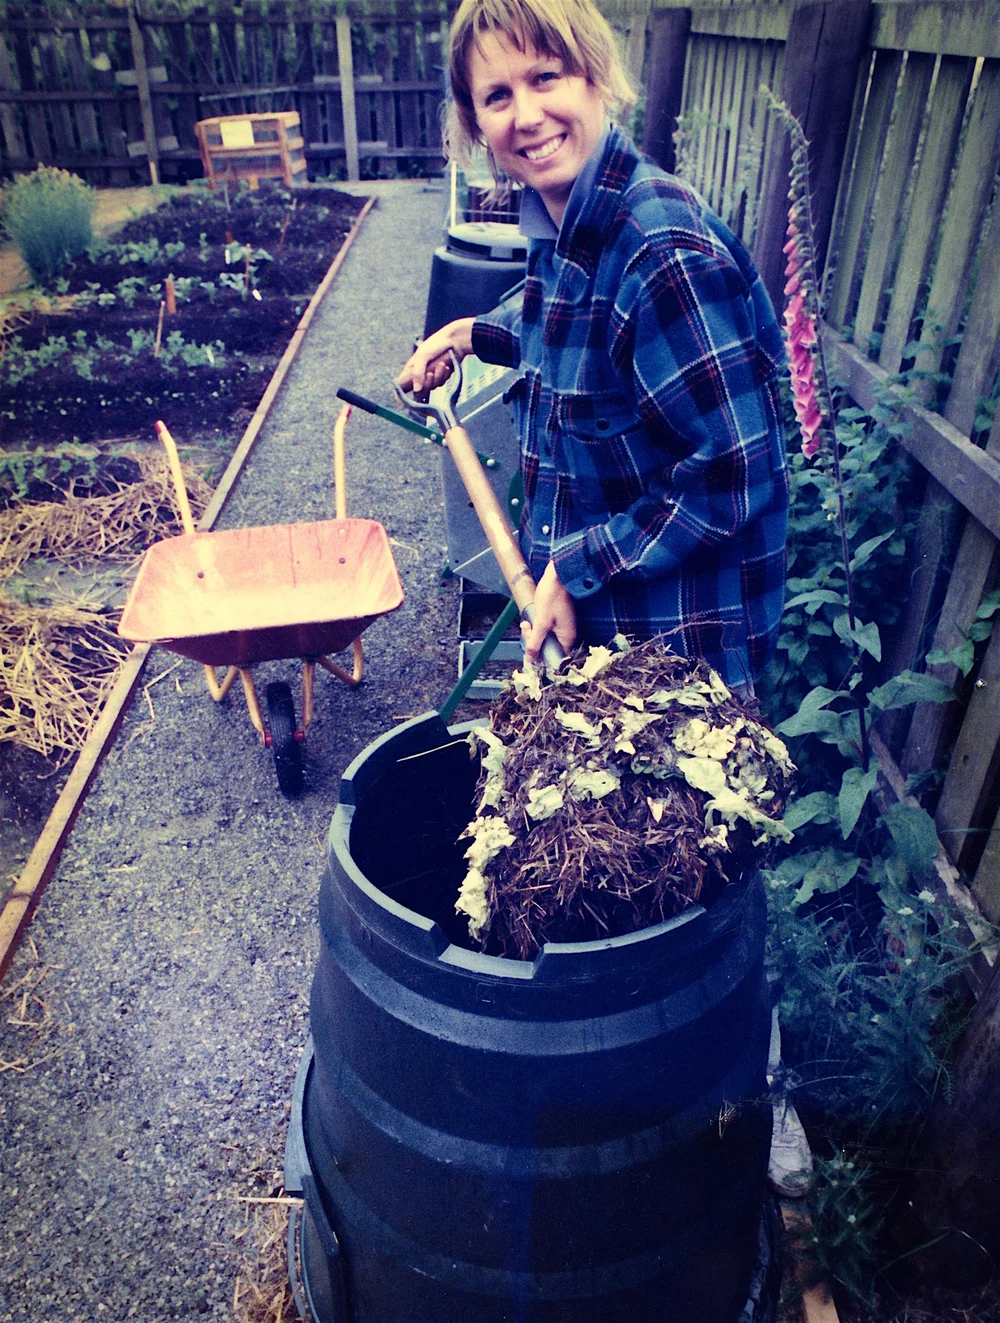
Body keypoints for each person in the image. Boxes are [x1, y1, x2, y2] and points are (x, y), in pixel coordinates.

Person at [398, 0, 808, 1193]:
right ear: (472, 126)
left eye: (546, 77)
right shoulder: (577, 226)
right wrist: (480, 330)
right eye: (495, 97)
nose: (526, 114)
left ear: (599, 74)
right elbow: (571, 316)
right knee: (600, 878)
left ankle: (675, 1148)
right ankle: (607, 1122)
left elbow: (738, 471)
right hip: (623, 632)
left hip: (682, 650)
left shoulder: (661, 249)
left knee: (670, 891)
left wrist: (574, 567)